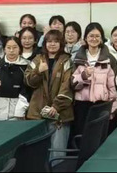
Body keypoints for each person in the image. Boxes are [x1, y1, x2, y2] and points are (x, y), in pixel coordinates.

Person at [25, 30, 74, 159]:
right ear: (44, 43)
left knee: (57, 153)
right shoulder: (37, 59)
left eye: (56, 41)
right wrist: (38, 72)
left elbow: (67, 86)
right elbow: (28, 82)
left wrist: (56, 106)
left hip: (60, 115)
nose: (52, 44)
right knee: (38, 155)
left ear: (61, 43)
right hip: (38, 114)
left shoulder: (67, 60)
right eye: (49, 41)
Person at [71, 23, 117, 141]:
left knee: (99, 139)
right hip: (82, 106)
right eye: (91, 36)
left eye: (97, 36)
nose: (94, 39)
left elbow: (113, 86)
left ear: (102, 38)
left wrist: (113, 107)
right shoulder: (78, 58)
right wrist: (84, 76)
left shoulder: (109, 59)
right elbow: (72, 84)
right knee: (82, 139)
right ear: (85, 38)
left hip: (102, 105)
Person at [0, 37, 30, 121]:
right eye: (8, 47)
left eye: (15, 47)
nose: (11, 50)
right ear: (4, 49)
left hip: (15, 114)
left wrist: (19, 112)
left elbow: (27, 91)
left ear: (20, 48)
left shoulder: (26, 67)